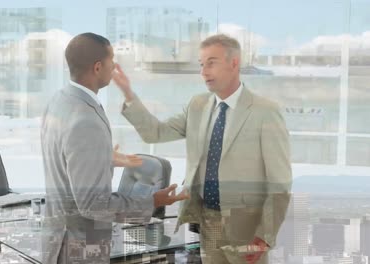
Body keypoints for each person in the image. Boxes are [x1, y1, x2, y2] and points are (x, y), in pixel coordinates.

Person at [113, 34, 292, 264]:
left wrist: (265, 237)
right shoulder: (197, 105)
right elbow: (155, 132)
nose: (204, 71)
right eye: (201, 64)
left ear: (234, 63)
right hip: (207, 224)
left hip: (247, 231)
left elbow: (280, 183)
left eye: (211, 62)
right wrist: (129, 94)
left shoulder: (265, 112)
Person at [40, 32, 189, 264]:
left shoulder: (59, 101)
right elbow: (92, 204)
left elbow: (66, 158)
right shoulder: (86, 119)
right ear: (98, 67)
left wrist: (103, 158)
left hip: (58, 240)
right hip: (79, 248)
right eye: (112, 60)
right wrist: (154, 201)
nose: (115, 65)